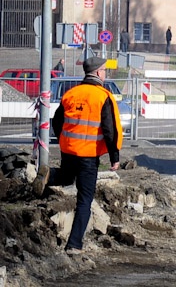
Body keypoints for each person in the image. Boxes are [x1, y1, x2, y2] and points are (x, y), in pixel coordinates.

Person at [32, 56, 123, 255]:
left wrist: (65, 140)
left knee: (67, 177)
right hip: (89, 156)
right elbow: (110, 130)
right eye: (104, 71)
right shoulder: (103, 96)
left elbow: (57, 121)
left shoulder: (71, 94)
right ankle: (74, 244)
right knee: (84, 200)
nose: (105, 74)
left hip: (69, 150)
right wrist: (114, 157)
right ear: (99, 73)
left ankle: (51, 175)